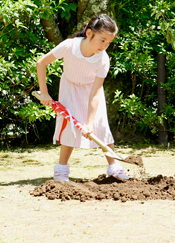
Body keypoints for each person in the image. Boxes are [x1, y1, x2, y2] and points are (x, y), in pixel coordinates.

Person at [36, 14, 129, 181]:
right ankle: (61, 170)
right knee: (69, 126)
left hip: (91, 90)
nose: (105, 46)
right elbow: (41, 63)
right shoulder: (69, 46)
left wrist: (89, 123)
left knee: (101, 127)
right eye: (102, 40)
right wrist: (44, 92)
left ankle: (114, 167)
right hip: (69, 88)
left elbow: (95, 94)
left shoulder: (103, 60)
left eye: (109, 42)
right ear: (89, 33)